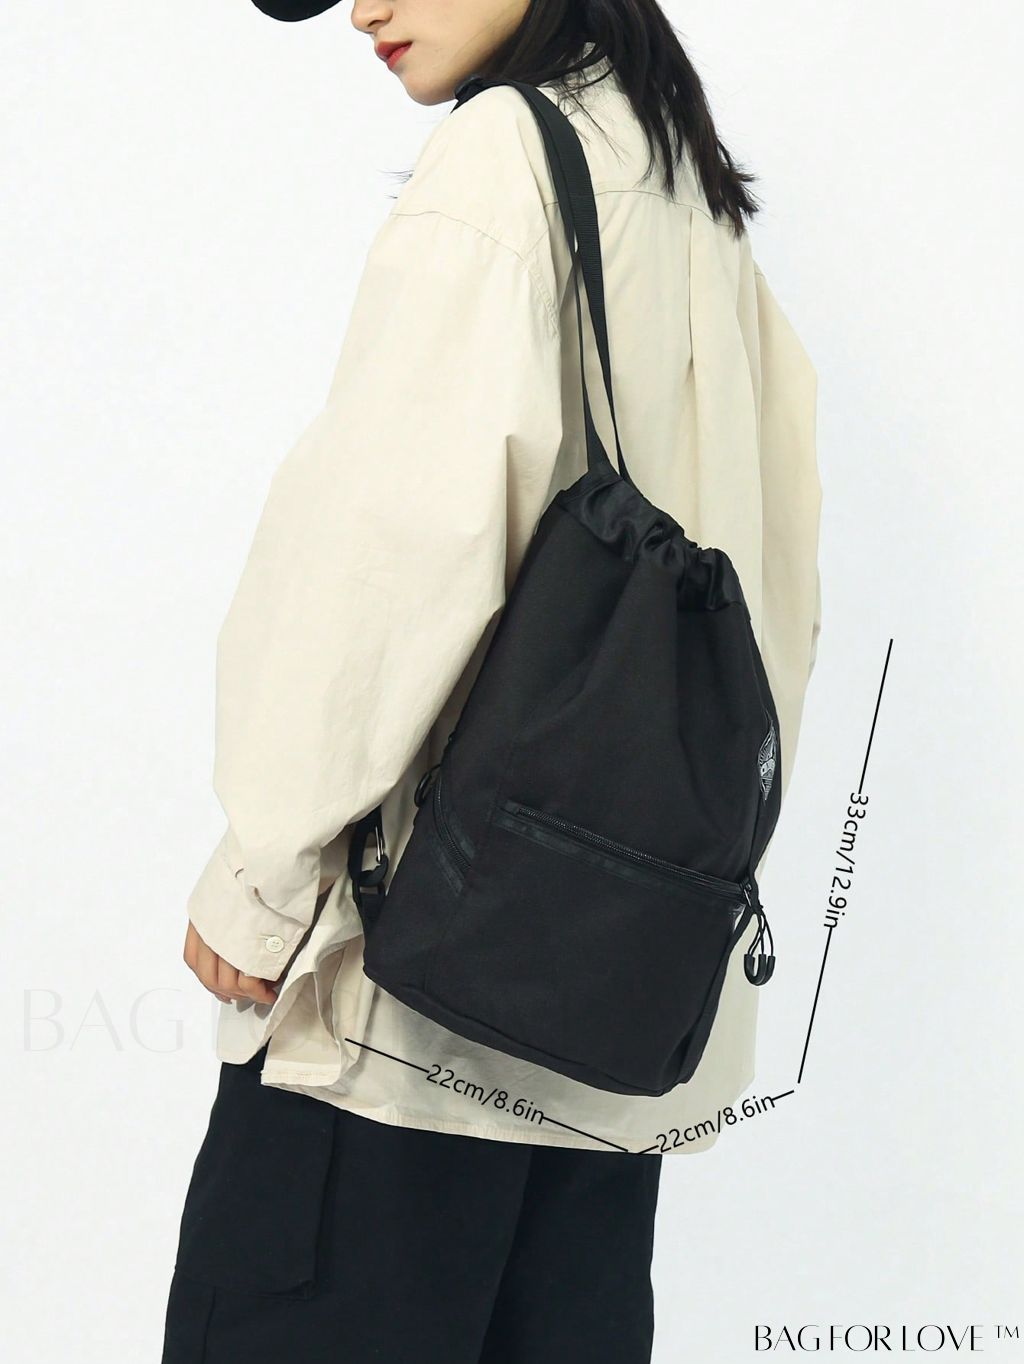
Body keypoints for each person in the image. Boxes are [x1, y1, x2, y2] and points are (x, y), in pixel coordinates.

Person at [162, 1, 823, 1360]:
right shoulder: (687, 191)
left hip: (404, 1033)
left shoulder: (503, 161)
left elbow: (389, 552)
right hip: (606, 1040)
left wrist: (264, 874)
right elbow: (773, 598)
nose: (364, 7)